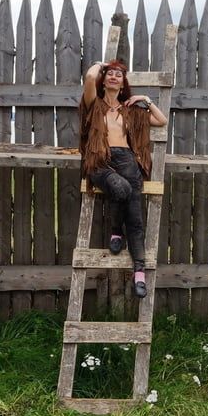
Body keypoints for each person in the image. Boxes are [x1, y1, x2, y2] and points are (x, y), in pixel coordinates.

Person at [79, 60, 168, 297]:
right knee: (121, 188)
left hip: (127, 159)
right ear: (104, 79)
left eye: (119, 75)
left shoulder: (130, 111)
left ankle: (139, 274)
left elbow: (161, 121)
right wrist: (100, 64)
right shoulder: (93, 105)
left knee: (136, 219)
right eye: (110, 74)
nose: (114, 77)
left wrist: (145, 100)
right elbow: (89, 78)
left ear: (123, 83)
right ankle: (116, 230)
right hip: (100, 161)